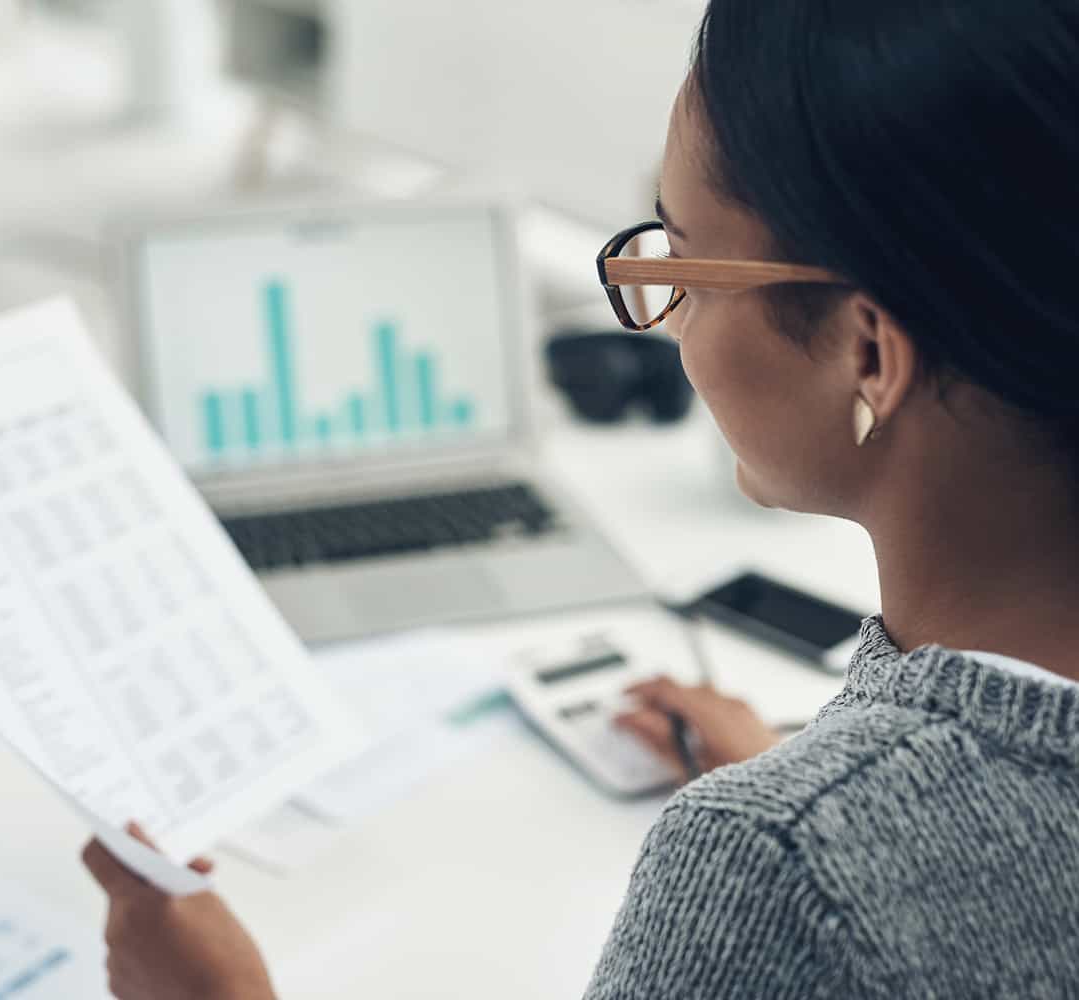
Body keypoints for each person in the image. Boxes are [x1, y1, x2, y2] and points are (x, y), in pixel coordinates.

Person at [81, 0, 1079, 994]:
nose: (668, 320)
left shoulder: (777, 864)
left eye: (683, 263)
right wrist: (827, 776)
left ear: (868, 352)